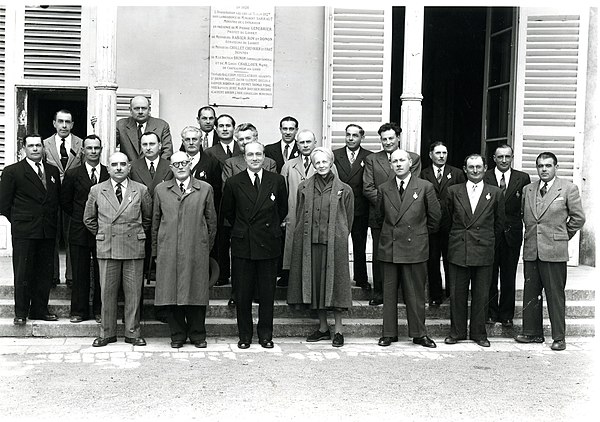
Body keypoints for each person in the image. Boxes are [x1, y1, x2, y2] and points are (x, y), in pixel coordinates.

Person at [221, 141, 288, 349]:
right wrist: (244, 230)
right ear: (244, 157)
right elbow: (228, 212)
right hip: (244, 244)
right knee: (243, 294)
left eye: (259, 154)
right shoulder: (233, 182)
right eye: (250, 155)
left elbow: (282, 209)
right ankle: (245, 336)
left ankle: (266, 335)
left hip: (268, 242)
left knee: (267, 293)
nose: (255, 158)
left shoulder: (277, 180)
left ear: (265, 157)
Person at [516, 152, 585, 351]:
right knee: (531, 292)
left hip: (554, 251)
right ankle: (532, 333)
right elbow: (525, 217)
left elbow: (578, 218)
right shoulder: (528, 189)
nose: (544, 169)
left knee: (555, 294)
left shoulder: (568, 188)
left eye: (548, 165)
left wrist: (561, 235)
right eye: (540, 166)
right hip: (531, 249)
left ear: (556, 167)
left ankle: (559, 337)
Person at [83, 152, 152, 347]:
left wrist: (134, 232)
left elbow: (147, 218)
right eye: (115, 164)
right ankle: (107, 333)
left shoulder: (141, 189)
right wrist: (104, 232)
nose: (119, 168)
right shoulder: (97, 190)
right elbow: (88, 219)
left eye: (123, 164)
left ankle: (133, 332)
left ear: (129, 167)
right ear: (108, 168)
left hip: (133, 247)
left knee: (134, 293)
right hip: (108, 247)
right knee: (107, 293)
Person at [287, 147, 354, 347]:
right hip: (311, 244)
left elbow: (348, 219)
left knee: (336, 286)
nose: (321, 165)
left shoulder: (345, 189)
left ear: (331, 163)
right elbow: (299, 215)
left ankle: (339, 330)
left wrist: (339, 235)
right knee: (317, 286)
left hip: (333, 245)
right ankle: (323, 328)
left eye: (325, 162)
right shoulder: (304, 187)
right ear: (313, 165)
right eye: (317, 163)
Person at [151, 151, 217, 349]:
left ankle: (198, 335)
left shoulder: (204, 189)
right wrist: (156, 251)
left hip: (196, 249)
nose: (180, 167)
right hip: (168, 250)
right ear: (170, 167)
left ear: (190, 164)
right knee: (171, 292)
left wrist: (204, 246)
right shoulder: (161, 190)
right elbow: (155, 222)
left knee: (196, 292)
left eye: (184, 163)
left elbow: (211, 222)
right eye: (176, 164)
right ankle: (177, 335)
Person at [377, 149, 440, 348]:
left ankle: (419, 334)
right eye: (394, 161)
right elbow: (380, 218)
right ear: (390, 164)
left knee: (415, 294)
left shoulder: (424, 187)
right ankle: (389, 333)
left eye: (402, 160)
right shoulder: (384, 188)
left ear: (410, 163)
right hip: (390, 246)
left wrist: (419, 236)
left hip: (415, 248)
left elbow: (435, 219)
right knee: (389, 293)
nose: (398, 164)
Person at [443, 154, 504, 347]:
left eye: (479, 167)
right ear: (465, 169)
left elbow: (499, 224)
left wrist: (487, 242)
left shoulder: (495, 192)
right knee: (457, 293)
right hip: (459, 248)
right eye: (471, 167)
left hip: (483, 250)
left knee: (481, 294)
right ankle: (457, 332)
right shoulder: (453, 191)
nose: (475, 170)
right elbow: (446, 221)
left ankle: (479, 333)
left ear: (485, 168)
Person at [0, 134, 61, 325]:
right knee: (23, 272)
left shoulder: (51, 171)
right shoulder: (13, 171)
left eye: (38, 145)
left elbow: (55, 200)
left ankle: (39, 309)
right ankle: (21, 313)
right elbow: (3, 204)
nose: (35, 149)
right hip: (24, 230)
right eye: (31, 145)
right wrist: (21, 220)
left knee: (44, 272)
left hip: (47, 230)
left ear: (43, 148)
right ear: (24, 148)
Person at [362, 123, 421, 306]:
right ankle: (380, 292)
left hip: (407, 218)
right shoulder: (372, 159)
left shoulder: (412, 158)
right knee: (381, 256)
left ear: (398, 138)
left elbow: (414, 187)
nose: (387, 142)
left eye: (391, 138)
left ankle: (404, 293)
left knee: (405, 254)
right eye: (384, 139)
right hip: (380, 216)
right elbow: (368, 187)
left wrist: (400, 208)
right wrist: (387, 206)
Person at [60, 135, 108, 323]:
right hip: (79, 229)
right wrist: (80, 217)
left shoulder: (108, 172)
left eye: (96, 148)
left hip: (103, 229)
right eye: (89, 148)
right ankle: (79, 311)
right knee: (79, 272)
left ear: (101, 149)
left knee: (101, 271)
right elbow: (65, 201)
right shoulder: (73, 174)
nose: (93, 152)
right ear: (83, 150)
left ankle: (99, 309)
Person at [483, 144, 530, 327]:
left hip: (512, 233)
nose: (504, 160)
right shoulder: (485, 176)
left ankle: (507, 315)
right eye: (500, 157)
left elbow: (525, 205)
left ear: (512, 158)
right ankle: (490, 312)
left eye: (507, 157)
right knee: (490, 275)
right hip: (490, 232)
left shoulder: (522, 178)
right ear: (493, 158)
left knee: (509, 275)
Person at [419, 141, 465, 306]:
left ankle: (452, 293)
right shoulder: (423, 174)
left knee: (450, 259)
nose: (441, 156)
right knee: (432, 260)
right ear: (431, 155)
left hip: (451, 224)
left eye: (444, 153)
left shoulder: (457, 173)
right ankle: (435, 295)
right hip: (431, 225)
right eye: (438, 153)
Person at [43, 109, 82, 287]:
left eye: (68, 122)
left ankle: (72, 277)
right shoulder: (44, 145)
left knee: (71, 236)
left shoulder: (81, 144)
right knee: (51, 236)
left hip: (73, 197)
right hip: (50, 197)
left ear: (72, 124)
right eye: (60, 121)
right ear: (54, 123)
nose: (64, 125)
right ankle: (51, 275)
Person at [332, 124, 373, 291]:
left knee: (359, 244)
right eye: (348, 135)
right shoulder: (335, 155)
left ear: (361, 137)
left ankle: (361, 277)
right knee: (338, 243)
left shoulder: (369, 157)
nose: (350, 138)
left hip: (360, 207)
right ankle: (336, 278)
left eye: (354, 135)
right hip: (339, 206)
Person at [129, 132, 173, 283]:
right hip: (141, 217)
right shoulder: (133, 166)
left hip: (164, 216)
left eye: (152, 144)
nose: (148, 148)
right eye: (145, 144)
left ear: (160, 146)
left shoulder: (170, 166)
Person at [205, 114, 240, 288]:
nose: (225, 129)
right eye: (221, 126)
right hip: (220, 201)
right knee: (222, 239)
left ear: (234, 128)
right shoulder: (209, 153)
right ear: (216, 129)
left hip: (242, 202)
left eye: (228, 125)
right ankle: (222, 274)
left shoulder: (243, 149)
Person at [115, 95, 173, 161]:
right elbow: (109, 147)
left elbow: (167, 152)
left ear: (149, 109)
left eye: (144, 108)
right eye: (137, 108)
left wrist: (158, 168)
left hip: (154, 169)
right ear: (130, 110)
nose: (140, 112)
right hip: (129, 169)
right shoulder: (121, 125)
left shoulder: (161, 125)